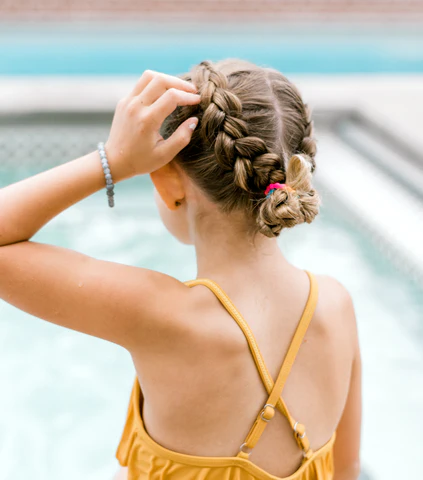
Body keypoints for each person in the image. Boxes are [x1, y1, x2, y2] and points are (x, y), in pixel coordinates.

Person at [0, 59, 361, 480]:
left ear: (168, 184)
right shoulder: (336, 305)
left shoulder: (158, 313)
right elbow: (347, 469)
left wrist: (112, 161)